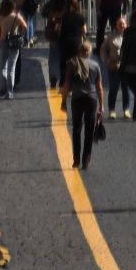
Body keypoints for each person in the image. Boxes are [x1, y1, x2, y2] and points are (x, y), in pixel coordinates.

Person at [60, 34, 103, 171]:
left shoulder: (72, 64)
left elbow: (66, 85)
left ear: (79, 51)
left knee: (77, 129)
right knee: (89, 130)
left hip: (77, 98)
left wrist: (63, 101)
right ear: (89, 52)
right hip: (91, 99)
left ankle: (76, 159)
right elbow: (99, 87)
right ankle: (86, 159)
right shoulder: (95, 66)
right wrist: (101, 106)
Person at [45, 0, 82, 87]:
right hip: (59, 28)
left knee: (56, 54)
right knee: (57, 53)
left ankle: (56, 77)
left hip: (62, 28)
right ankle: (58, 77)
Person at [0, 0, 27, 100]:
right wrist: (21, 34)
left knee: (3, 67)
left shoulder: (0, 18)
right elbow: (25, 26)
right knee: (12, 68)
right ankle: (10, 92)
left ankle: (3, 88)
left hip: (3, 42)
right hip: (14, 42)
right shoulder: (17, 16)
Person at [100, 8, 128, 118]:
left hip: (125, 67)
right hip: (113, 66)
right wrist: (106, 60)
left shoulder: (129, 36)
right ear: (116, 25)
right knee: (113, 88)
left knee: (126, 88)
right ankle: (111, 110)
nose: (122, 26)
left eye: (123, 24)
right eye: (119, 24)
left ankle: (126, 109)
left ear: (126, 25)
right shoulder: (110, 37)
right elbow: (103, 49)